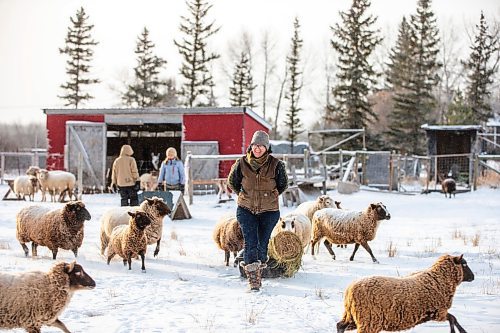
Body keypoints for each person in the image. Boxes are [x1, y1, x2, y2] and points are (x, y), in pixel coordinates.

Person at [227, 130, 288, 291]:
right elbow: (232, 182)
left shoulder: (276, 165)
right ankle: (254, 281)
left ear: (267, 148)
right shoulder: (241, 163)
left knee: (262, 247)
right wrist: (244, 194)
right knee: (251, 243)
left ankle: (258, 265)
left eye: (261, 146)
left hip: (269, 211)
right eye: (255, 145)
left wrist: (270, 195)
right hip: (246, 209)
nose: (258, 148)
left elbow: (283, 185)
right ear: (251, 146)